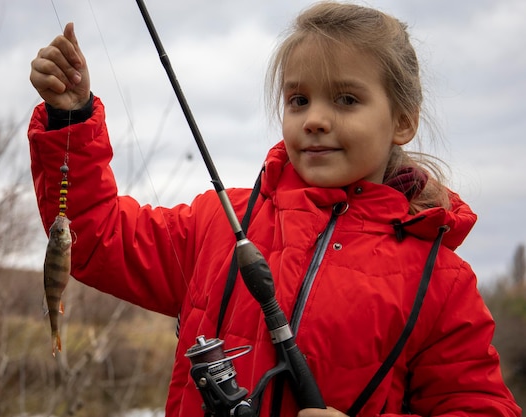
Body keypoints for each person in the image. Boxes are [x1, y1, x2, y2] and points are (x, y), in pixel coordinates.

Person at [28, 2, 521, 417]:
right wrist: (70, 118)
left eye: (347, 99)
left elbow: (478, 407)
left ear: (403, 120)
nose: (316, 120)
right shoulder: (218, 224)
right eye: (299, 99)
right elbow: (95, 234)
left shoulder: (443, 282)